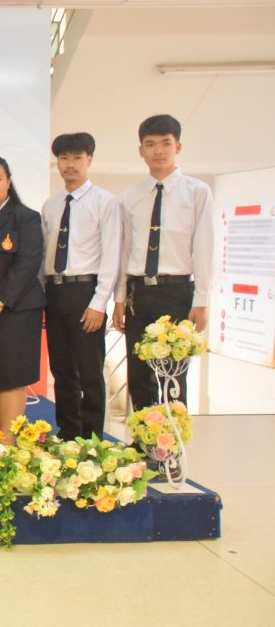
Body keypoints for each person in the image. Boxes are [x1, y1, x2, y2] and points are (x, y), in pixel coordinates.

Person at [113, 114, 213, 410]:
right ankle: (144, 433)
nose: (158, 150)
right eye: (150, 144)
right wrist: (119, 298)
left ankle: (173, 435)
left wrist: (202, 299)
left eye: (165, 143)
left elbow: (204, 247)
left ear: (178, 147)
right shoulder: (130, 196)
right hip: (139, 292)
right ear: (140, 150)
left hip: (177, 291)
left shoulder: (197, 192)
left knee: (174, 373)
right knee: (139, 373)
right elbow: (125, 250)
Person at [42, 132, 122, 440]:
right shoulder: (51, 205)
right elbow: (45, 257)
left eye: (77, 157)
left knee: (89, 370)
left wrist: (99, 303)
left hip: (86, 291)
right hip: (55, 291)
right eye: (64, 158)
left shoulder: (105, 202)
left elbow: (111, 255)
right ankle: (68, 431)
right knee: (61, 368)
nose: (70, 164)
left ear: (89, 160)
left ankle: (91, 438)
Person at [0, 155, 46, 444]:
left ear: (8, 182)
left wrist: (0, 300)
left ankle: (8, 441)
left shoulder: (25, 217)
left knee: (10, 377)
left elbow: (28, 262)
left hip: (15, 312)